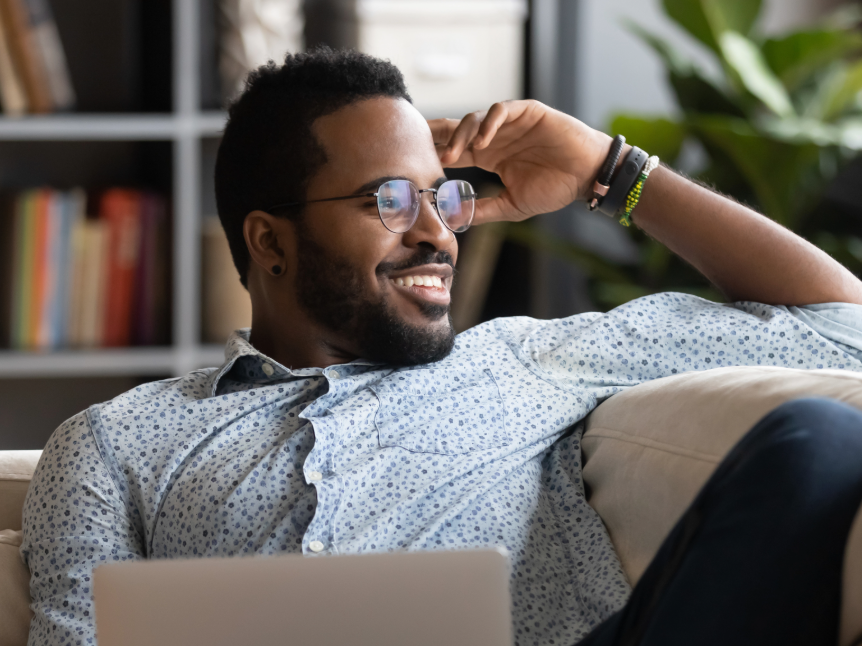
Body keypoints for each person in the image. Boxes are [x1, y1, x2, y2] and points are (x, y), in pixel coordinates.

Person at [20, 46, 862, 646]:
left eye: (442, 197)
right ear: (269, 243)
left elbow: (841, 328)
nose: (439, 234)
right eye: (389, 200)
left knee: (821, 443)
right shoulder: (114, 443)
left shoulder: (528, 361)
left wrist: (609, 169)